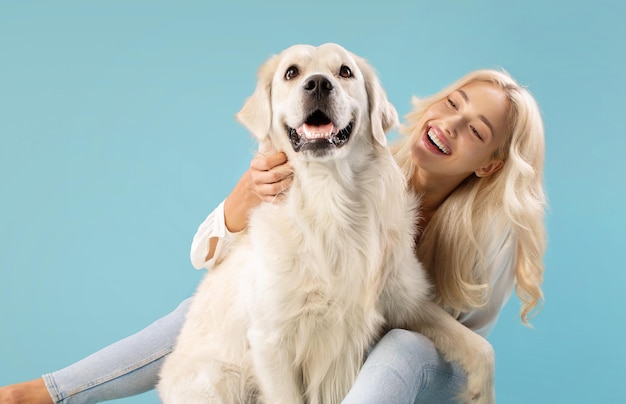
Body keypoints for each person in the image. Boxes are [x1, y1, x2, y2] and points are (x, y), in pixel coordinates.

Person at [0, 68, 546, 403]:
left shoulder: (490, 235)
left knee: (404, 344)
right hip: (321, 358)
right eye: (453, 102)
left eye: (476, 129)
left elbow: (447, 342)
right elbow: (211, 259)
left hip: (414, 375)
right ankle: (48, 394)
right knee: (222, 299)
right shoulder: (348, 155)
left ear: (490, 166)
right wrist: (242, 202)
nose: (451, 123)